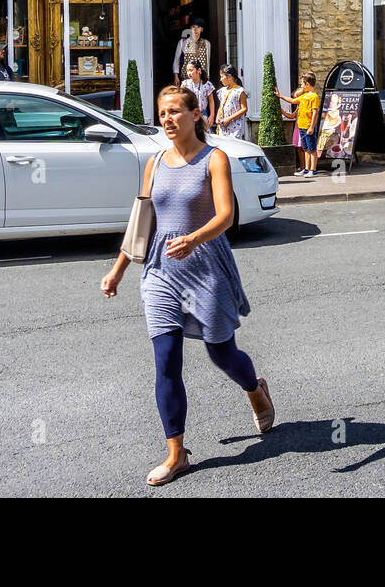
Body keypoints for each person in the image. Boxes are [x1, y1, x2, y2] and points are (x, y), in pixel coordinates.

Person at [100, 85, 273, 486]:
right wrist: (119, 269)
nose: (167, 119)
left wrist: (194, 238)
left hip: (205, 266)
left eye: (175, 111)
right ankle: (177, 453)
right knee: (165, 361)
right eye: (163, 113)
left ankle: (255, 387)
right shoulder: (155, 163)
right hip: (160, 270)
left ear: (196, 115)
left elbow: (227, 216)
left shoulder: (215, 159)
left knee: (221, 353)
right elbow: (142, 222)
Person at [277, 72, 320, 177]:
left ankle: (313, 170)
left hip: (308, 127)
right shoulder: (304, 96)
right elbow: (292, 101)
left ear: (308, 85)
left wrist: (311, 127)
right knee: (305, 149)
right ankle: (306, 169)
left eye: (302, 84)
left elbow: (315, 113)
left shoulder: (314, 97)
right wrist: (280, 96)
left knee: (312, 150)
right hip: (301, 126)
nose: (301, 86)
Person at [171, 17, 210, 85]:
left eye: (198, 27)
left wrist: (208, 77)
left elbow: (207, 61)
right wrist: (176, 76)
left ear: (202, 29)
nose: (195, 30)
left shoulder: (206, 43)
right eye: (193, 27)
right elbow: (176, 60)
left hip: (201, 79)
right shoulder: (183, 42)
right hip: (186, 78)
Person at [215, 65, 250, 140]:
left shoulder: (240, 91)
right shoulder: (222, 91)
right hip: (223, 126)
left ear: (230, 77)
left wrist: (229, 119)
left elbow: (244, 109)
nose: (221, 79)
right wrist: (217, 116)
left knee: (234, 147)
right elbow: (221, 106)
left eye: (222, 77)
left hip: (235, 127)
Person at [182, 62, 216, 130]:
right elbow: (180, 100)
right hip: (189, 115)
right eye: (187, 70)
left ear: (199, 70)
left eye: (191, 70)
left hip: (203, 115)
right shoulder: (185, 84)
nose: (189, 73)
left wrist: (212, 115)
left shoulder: (207, 84)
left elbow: (211, 101)